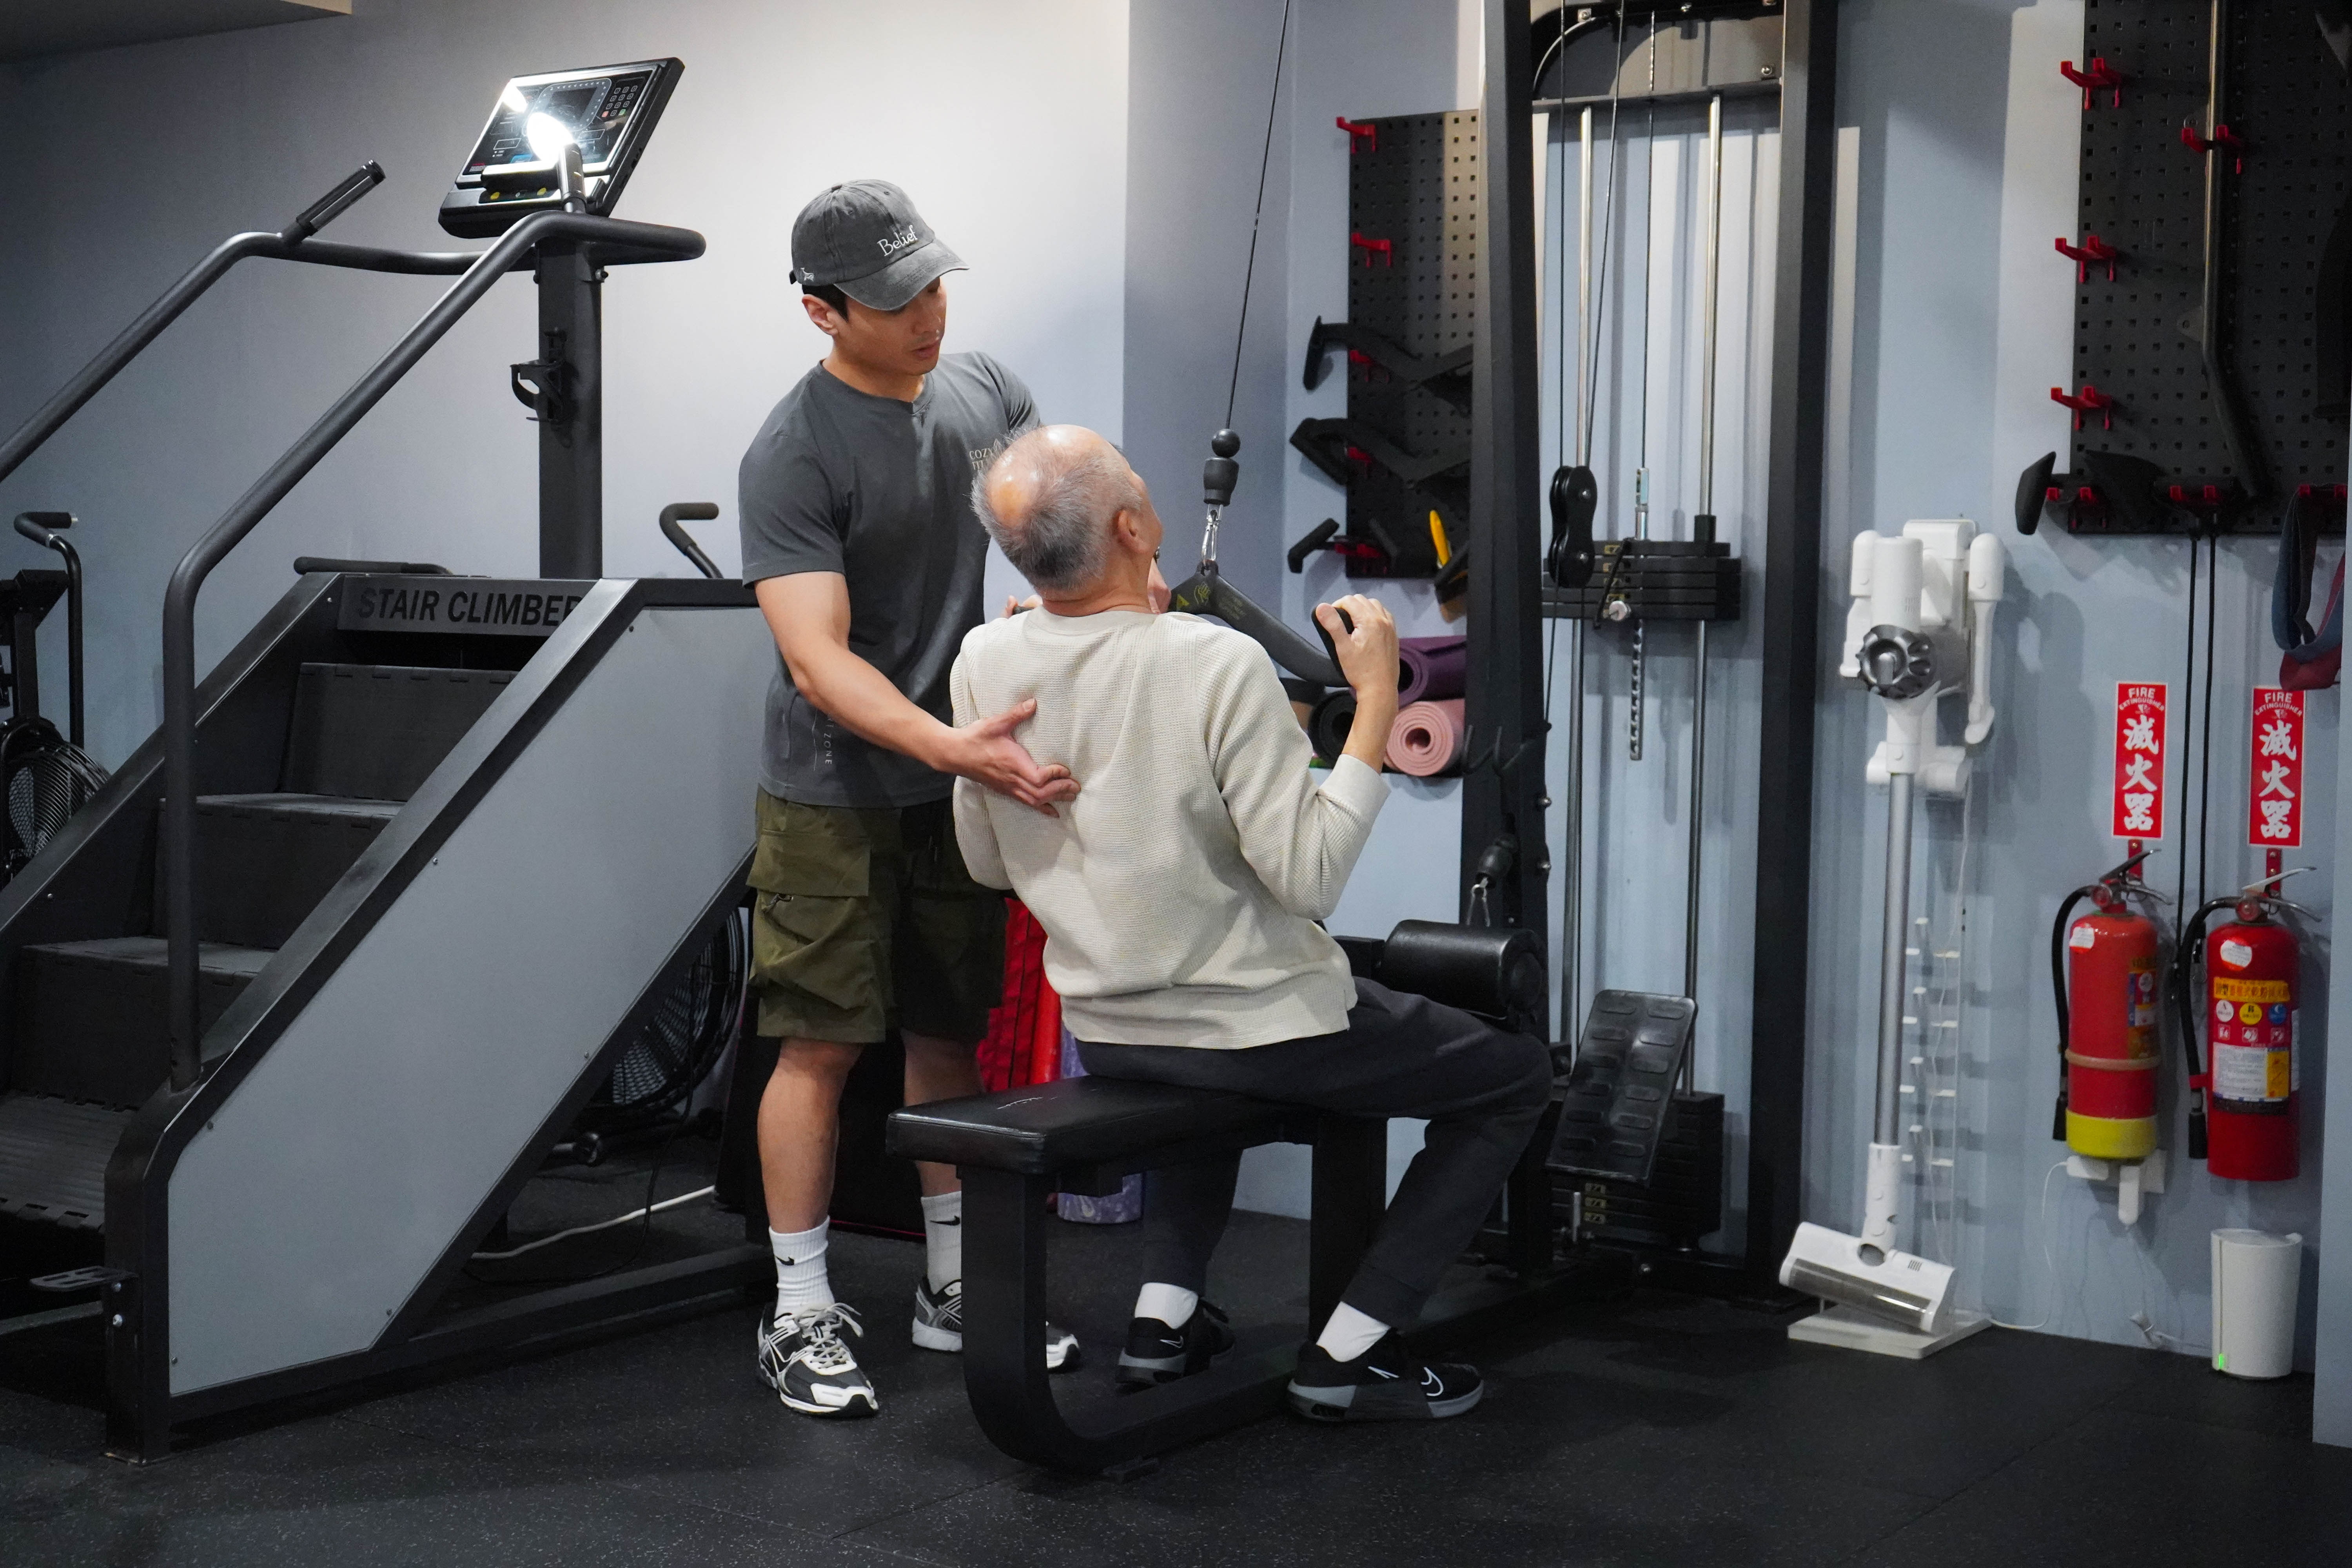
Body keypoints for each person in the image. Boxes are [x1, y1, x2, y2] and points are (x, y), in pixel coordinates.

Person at [949, 425, 1554, 1422]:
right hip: (1258, 1028)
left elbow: (985, 861)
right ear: (1132, 527)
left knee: (1209, 1055)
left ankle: (1163, 1320)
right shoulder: (1216, 661)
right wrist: (1375, 698)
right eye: (1136, 477)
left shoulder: (987, 655)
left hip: (1112, 1027)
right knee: (1515, 1076)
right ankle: (1354, 1350)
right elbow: (1311, 878)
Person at [736, 180, 1082, 1420]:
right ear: (823, 312)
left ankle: (951, 1287)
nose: (929, 314)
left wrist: (1066, 593)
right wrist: (949, 746)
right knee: (823, 1045)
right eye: (896, 300)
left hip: (956, 764)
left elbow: (1057, 514)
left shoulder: (983, 392)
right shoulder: (794, 452)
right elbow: (816, 660)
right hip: (834, 788)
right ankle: (800, 1308)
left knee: (947, 1032)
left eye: (934, 284)